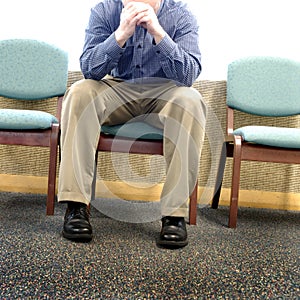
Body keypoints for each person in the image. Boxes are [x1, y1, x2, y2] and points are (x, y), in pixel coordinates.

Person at [58, 0, 206, 248]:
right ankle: (76, 207)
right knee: (80, 93)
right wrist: (120, 35)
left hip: (164, 91)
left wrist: (159, 33)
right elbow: (89, 69)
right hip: (119, 88)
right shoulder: (104, 10)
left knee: (191, 101)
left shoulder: (181, 14)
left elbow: (188, 75)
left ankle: (174, 215)